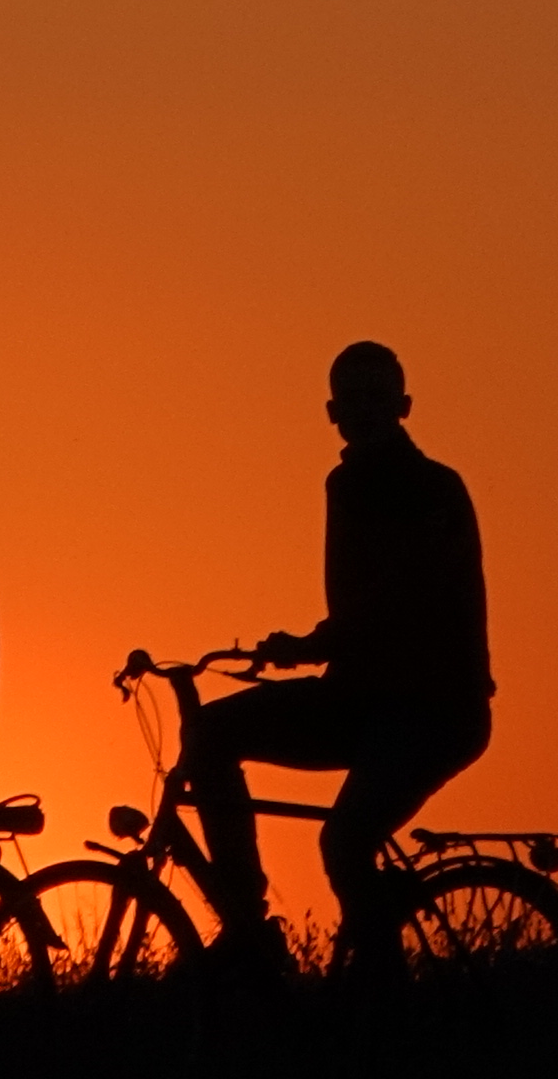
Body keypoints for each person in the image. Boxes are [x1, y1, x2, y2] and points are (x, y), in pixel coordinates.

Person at [185, 339, 493, 979]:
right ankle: (247, 927)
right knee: (211, 732)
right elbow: (370, 606)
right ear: (331, 411)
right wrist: (316, 647)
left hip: (432, 709)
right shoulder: (346, 483)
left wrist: (312, 645)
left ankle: (381, 992)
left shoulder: (430, 489)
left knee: (346, 841)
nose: (361, 413)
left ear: (403, 406)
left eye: (374, 399)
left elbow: (399, 597)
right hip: (363, 698)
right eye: (349, 401)